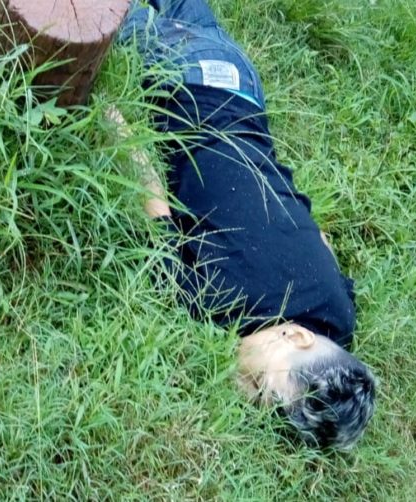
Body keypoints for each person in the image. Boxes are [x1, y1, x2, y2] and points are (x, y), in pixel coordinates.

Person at [110, 0, 376, 449]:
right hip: (181, 84)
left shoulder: (339, 316)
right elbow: (151, 198)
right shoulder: (216, 303)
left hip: (242, 86)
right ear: (295, 336)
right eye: (258, 386)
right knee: (101, 13)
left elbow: (323, 240)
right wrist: (111, 120)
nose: (241, 387)